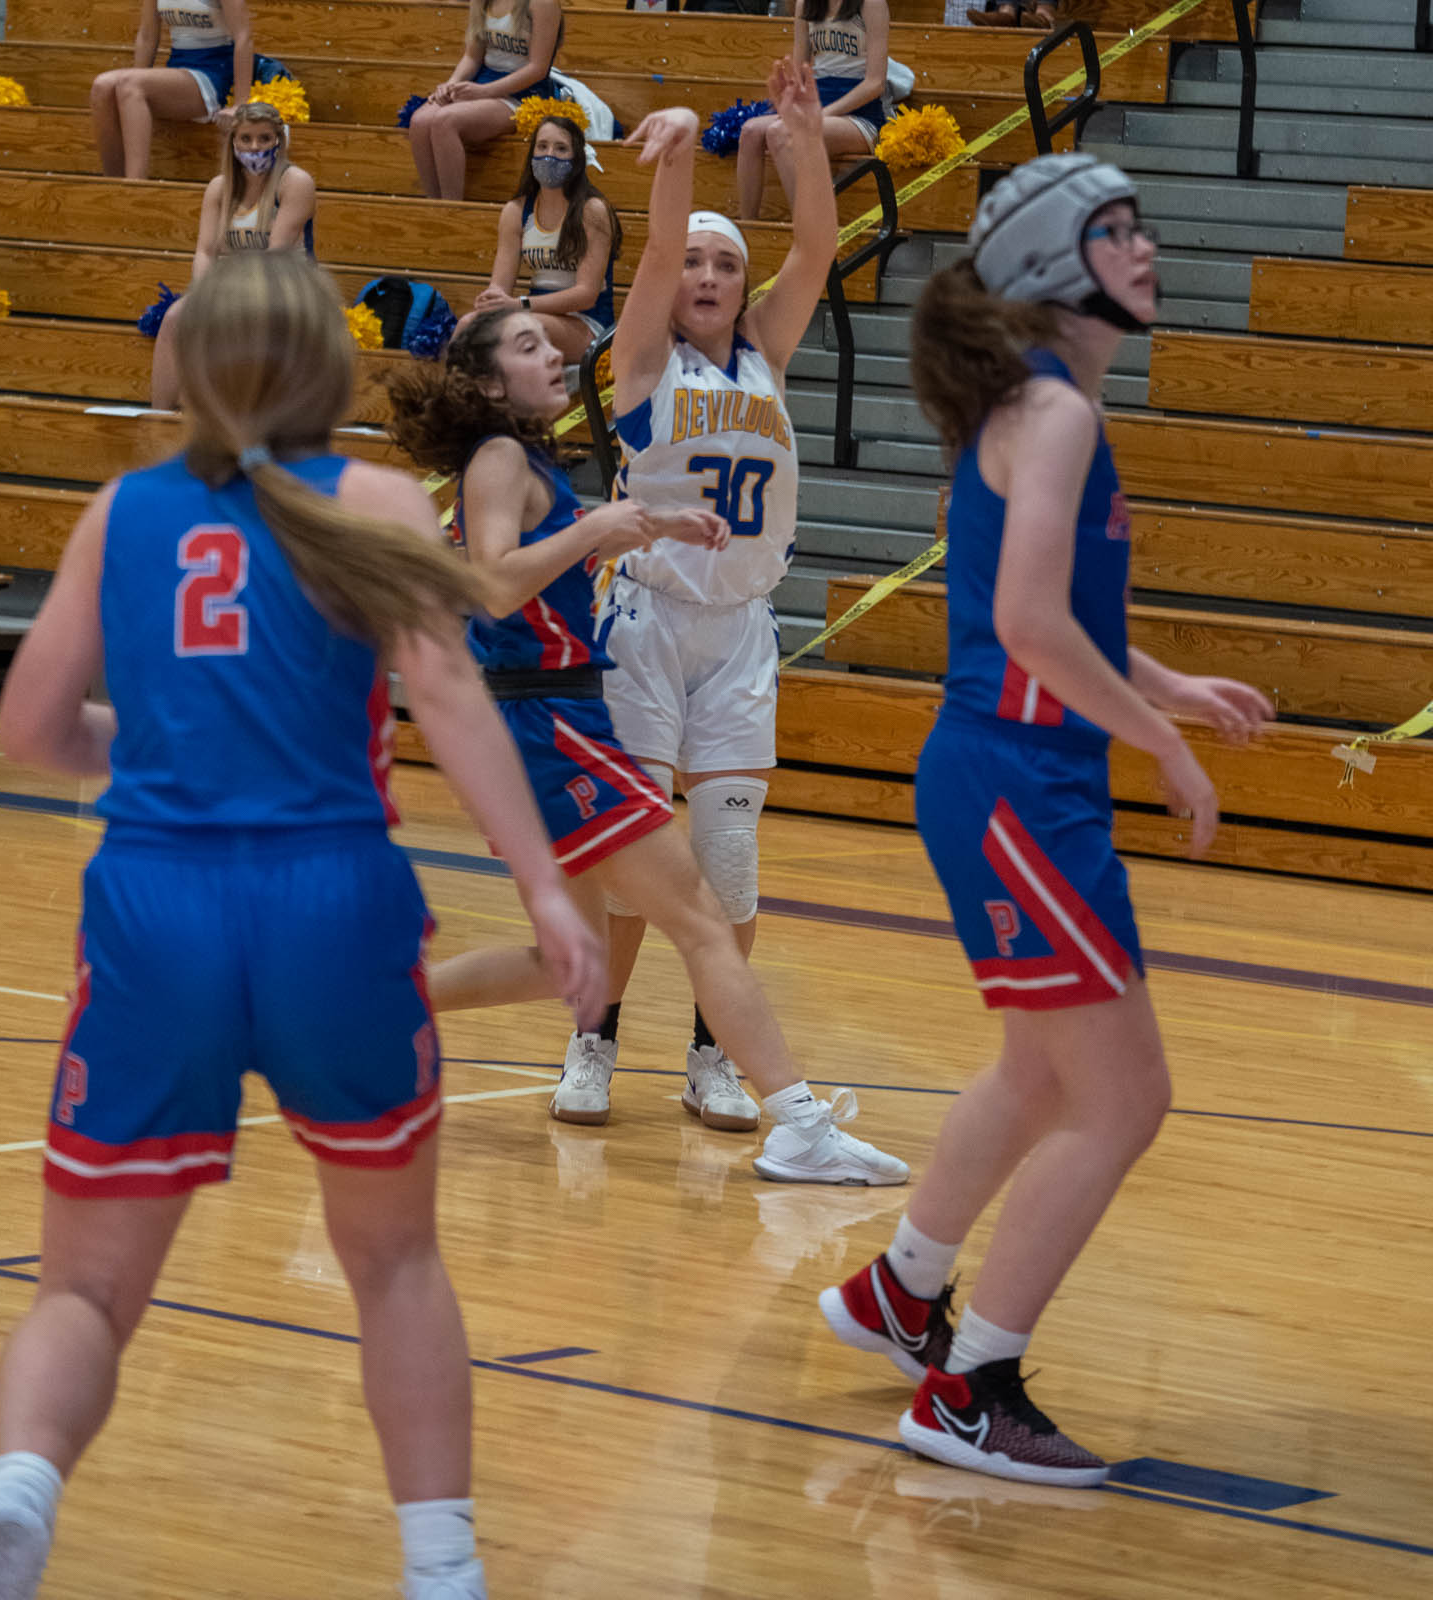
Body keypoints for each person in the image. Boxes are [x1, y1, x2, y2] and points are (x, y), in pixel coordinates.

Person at [0, 252, 606, 1600]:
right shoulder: (376, 500)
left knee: (82, 1292)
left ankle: (20, 1484)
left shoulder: (124, 510)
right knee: (395, 1262)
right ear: (325, 366)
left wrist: (157, 752)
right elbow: (451, 702)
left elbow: (29, 729)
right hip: (332, 902)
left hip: (159, 905)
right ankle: (441, 1565)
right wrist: (545, 887)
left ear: (190, 369)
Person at [817, 154, 1272, 1486]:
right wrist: (1160, 743)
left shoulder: (1040, 402)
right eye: (1114, 231)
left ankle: (903, 1292)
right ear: (1054, 265)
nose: (1144, 249)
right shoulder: (1055, 411)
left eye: (1139, 227)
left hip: (1005, 773)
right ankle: (971, 1390)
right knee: (1124, 1099)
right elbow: (1024, 624)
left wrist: (1165, 686)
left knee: (1037, 1073)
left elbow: (1048, 615)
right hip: (1018, 778)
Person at [386, 303, 907, 1187]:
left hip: (546, 720)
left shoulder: (520, 459)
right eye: (527, 346)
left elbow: (533, 568)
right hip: (548, 723)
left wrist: (649, 523)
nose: (552, 355)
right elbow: (496, 584)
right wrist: (598, 530)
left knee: (569, 963)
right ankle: (801, 1126)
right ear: (488, 385)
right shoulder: (499, 457)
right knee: (699, 915)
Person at [557, 61, 837, 1135]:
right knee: (637, 864)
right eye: (695, 263)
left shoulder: (766, 354)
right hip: (645, 619)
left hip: (741, 631)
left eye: (728, 263)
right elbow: (657, 249)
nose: (708, 274)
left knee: (728, 855)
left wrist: (803, 139)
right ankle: (593, 1039)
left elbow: (816, 248)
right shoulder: (643, 362)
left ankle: (712, 1057)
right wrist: (676, 151)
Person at [151, 101, 317, 409]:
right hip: (229, 285)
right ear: (233, 142)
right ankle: (159, 419)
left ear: (279, 140)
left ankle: (218, 414)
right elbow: (205, 251)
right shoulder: (219, 187)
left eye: (264, 138)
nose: (255, 147)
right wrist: (204, 294)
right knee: (177, 316)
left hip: (285, 287)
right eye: (246, 138)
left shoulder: (295, 183)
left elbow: (275, 255)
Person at [467, 112, 619, 365]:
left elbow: (586, 295)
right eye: (542, 146)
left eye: (561, 148)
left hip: (587, 321)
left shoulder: (593, 211)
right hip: (533, 313)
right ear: (532, 153)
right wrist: (492, 299)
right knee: (467, 326)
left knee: (514, 330)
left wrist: (520, 305)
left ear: (577, 158)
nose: (550, 155)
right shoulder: (516, 211)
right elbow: (500, 286)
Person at [736, 0, 889, 221]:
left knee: (781, 133)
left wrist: (820, 115)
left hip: (860, 116)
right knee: (750, 131)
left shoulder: (872, 4)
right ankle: (747, 229)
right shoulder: (805, 3)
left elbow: (875, 84)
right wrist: (788, 100)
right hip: (816, 106)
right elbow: (798, 72)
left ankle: (809, 230)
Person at [407, 0, 563, 201]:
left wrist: (485, 91)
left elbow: (538, 69)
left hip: (525, 94)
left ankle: (451, 208)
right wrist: (451, 84)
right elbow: (472, 57)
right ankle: (433, 205)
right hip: (483, 83)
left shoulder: (542, 3)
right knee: (419, 121)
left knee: (445, 120)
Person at [91, 0, 256, 180]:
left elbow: (243, 37)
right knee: (102, 87)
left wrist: (240, 103)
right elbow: (147, 35)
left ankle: (135, 186)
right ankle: (113, 183)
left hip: (215, 72)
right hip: (178, 69)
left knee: (130, 86)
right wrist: (134, 80)